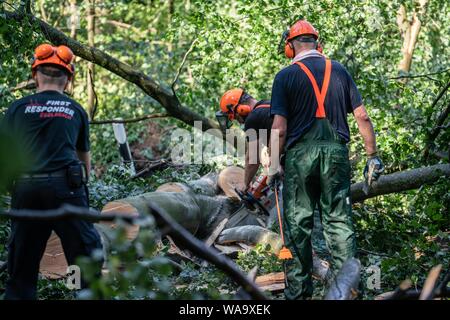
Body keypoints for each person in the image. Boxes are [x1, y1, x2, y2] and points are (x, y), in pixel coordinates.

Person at [269, 20, 384, 299]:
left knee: (298, 225)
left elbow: (280, 128)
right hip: (335, 155)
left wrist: (273, 164)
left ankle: (298, 294)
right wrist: (372, 156)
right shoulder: (340, 71)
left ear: (290, 47)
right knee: (339, 221)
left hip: (300, 156)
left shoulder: (285, 76)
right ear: (317, 44)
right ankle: (347, 290)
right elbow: (362, 116)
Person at [1, 43, 103, 300]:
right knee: (82, 254)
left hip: (26, 192)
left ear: (35, 75)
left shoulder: (17, 108)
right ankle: (79, 291)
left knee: (22, 261)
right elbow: (85, 163)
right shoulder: (76, 109)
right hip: (66, 189)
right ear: (68, 79)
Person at [219, 88, 273, 190]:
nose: (239, 122)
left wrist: (245, 184)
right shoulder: (268, 104)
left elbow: (252, 159)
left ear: (241, 109)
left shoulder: (252, 119)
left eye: (236, 117)